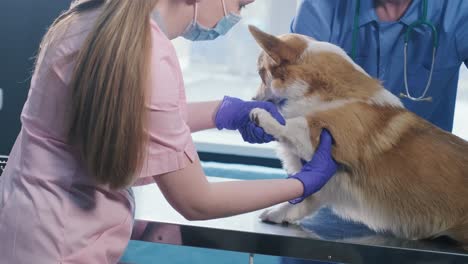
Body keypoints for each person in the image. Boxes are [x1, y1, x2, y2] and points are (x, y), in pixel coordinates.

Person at [0, 0, 338, 263]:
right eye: (239, 6)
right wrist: (302, 183)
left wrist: (223, 112)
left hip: (23, 230)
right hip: (62, 245)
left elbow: (127, 116)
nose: (234, 18)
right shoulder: (149, 55)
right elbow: (197, 202)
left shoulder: (87, 21)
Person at [291, 0, 468, 132]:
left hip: (421, 166)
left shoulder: (458, 11)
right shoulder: (322, 5)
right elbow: (294, 77)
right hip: (333, 155)